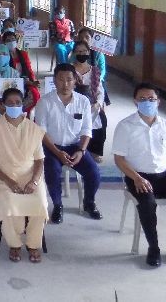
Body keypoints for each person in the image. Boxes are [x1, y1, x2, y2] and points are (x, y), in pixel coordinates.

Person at [112, 83, 166, 268]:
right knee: (147, 204)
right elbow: (119, 159)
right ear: (135, 101)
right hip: (138, 176)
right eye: (142, 99)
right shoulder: (125, 126)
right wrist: (136, 178)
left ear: (158, 102)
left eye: (151, 99)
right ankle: (154, 248)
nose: (147, 102)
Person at [0, 87, 48, 263]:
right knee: (9, 205)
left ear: (23, 105)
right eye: (9, 103)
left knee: (41, 203)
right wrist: (10, 182)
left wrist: (34, 181)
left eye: (18, 103)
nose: (14, 106)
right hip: (3, 177)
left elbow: (39, 161)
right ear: (3, 105)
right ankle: (15, 244)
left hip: (30, 176)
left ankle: (34, 244)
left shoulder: (33, 129)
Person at [34, 63, 103, 223]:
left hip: (75, 146)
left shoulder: (83, 101)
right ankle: (58, 205)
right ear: (54, 81)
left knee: (94, 172)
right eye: (61, 80)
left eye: (69, 80)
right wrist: (57, 153)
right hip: (51, 146)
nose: (65, 84)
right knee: (52, 171)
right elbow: (41, 132)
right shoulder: (45, 102)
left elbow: (87, 130)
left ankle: (89, 202)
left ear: (75, 81)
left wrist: (81, 150)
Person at [71, 41, 107, 161]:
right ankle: (77, 149)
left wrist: (98, 103)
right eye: (79, 51)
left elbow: (100, 91)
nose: (82, 53)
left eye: (84, 51)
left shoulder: (94, 70)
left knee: (101, 120)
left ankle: (95, 152)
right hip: (74, 104)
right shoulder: (69, 70)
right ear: (74, 53)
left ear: (88, 52)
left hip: (92, 104)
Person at [4, 31, 41, 113]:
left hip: (26, 80)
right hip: (10, 83)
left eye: (13, 39)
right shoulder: (4, 56)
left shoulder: (23, 54)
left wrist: (33, 81)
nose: (11, 42)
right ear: (4, 43)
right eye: (8, 40)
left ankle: (26, 115)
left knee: (35, 93)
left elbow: (29, 69)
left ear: (16, 41)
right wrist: (27, 82)